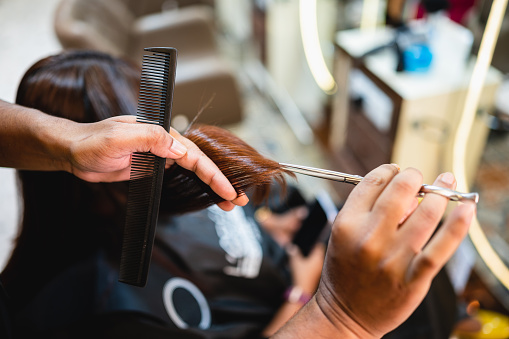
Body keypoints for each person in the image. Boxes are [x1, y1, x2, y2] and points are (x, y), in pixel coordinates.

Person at [0, 51, 476, 339]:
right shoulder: (107, 307)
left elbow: (212, 243)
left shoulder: (154, 197)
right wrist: (332, 309)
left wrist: (269, 230)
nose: (156, 138)